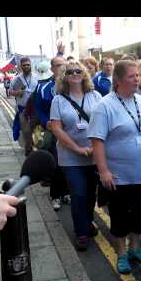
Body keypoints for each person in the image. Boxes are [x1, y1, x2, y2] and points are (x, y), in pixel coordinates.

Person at [87, 60, 141, 274]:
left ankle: (135, 248)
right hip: (118, 175)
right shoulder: (104, 106)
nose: (137, 79)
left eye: (138, 75)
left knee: (139, 214)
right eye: (131, 76)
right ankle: (121, 252)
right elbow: (97, 141)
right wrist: (104, 171)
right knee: (119, 216)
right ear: (117, 80)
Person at [50, 61, 103, 251]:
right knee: (78, 193)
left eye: (78, 70)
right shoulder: (58, 100)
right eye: (70, 71)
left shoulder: (95, 96)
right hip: (70, 157)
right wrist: (78, 149)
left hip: (93, 154)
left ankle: (88, 222)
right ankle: (81, 232)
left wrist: (94, 148)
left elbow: (103, 122)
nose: (74, 73)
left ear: (84, 74)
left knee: (90, 193)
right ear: (64, 76)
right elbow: (56, 129)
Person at [33, 55, 70, 211]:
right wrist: (45, 121)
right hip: (53, 130)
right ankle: (55, 195)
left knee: (69, 163)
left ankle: (66, 192)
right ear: (52, 68)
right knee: (56, 163)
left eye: (65, 65)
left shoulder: (72, 85)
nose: (63, 68)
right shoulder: (43, 87)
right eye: (59, 65)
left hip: (70, 130)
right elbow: (38, 108)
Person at [9, 57, 40, 156]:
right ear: (21, 66)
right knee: (26, 130)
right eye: (24, 65)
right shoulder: (16, 79)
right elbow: (10, 92)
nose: (26, 66)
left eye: (28, 64)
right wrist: (18, 92)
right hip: (23, 109)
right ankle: (28, 148)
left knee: (36, 129)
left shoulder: (37, 77)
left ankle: (38, 147)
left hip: (35, 108)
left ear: (30, 65)